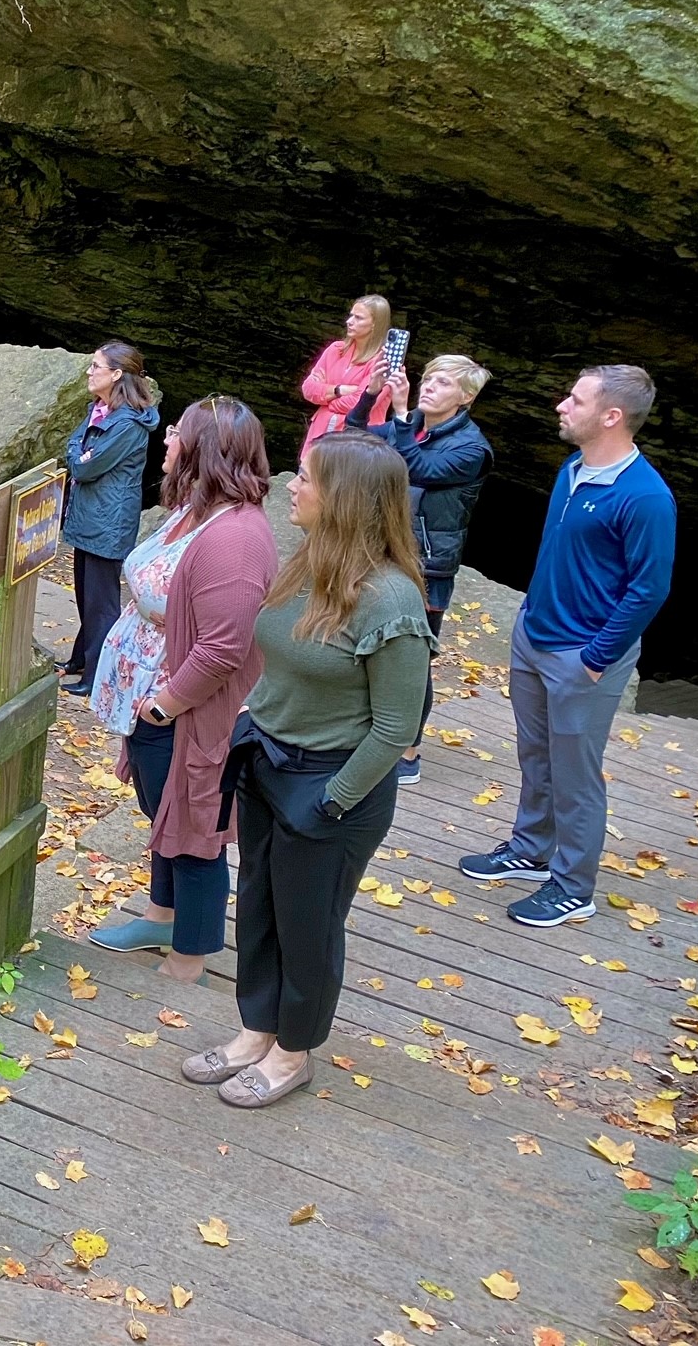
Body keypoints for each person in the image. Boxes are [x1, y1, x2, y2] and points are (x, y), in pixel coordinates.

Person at [182, 431, 432, 1108]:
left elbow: (397, 728)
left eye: (309, 478)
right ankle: (256, 1029)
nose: (292, 483)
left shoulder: (391, 601)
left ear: (345, 499)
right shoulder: (308, 562)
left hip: (331, 788)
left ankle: (293, 1052)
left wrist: (333, 800)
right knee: (260, 905)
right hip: (268, 764)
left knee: (308, 924)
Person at [461, 365, 675, 928]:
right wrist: (529, 616)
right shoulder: (573, 468)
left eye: (575, 399)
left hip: (581, 657)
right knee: (536, 755)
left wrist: (597, 657)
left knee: (576, 774)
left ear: (611, 416)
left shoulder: (646, 497)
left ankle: (573, 885)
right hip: (535, 637)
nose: (560, 405)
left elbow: (649, 588)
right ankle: (530, 851)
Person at [87, 398, 275, 982]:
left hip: (187, 711)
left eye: (177, 433)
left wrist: (164, 707)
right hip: (152, 702)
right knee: (164, 814)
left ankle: (188, 963)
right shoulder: (196, 511)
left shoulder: (235, 540)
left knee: (197, 830)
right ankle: (160, 918)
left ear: (202, 451)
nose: (166, 440)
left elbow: (224, 648)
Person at [347, 354, 494, 783]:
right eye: (427, 378)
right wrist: (372, 393)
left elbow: (419, 467)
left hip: (426, 565)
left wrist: (399, 413)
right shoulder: (412, 427)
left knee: (413, 657)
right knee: (366, 640)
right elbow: (355, 437)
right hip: (382, 551)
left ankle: (408, 752)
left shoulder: (472, 448)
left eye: (443, 383)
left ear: (466, 397)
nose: (429, 386)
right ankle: (367, 731)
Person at [59, 343, 159, 698]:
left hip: (108, 522)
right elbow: (74, 448)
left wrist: (80, 458)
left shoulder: (128, 424)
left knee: (101, 603)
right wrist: (79, 455)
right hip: (91, 518)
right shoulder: (100, 411)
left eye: (96, 366)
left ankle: (97, 675)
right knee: (86, 594)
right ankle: (80, 659)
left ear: (116, 374)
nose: (89, 371)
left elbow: (87, 467)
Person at [299, 294, 394, 455]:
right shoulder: (335, 349)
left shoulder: (385, 362)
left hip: (355, 445)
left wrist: (327, 399)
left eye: (358, 318)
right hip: (317, 439)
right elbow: (308, 389)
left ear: (375, 325)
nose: (349, 321)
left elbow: (359, 405)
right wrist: (339, 390)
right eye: (351, 315)